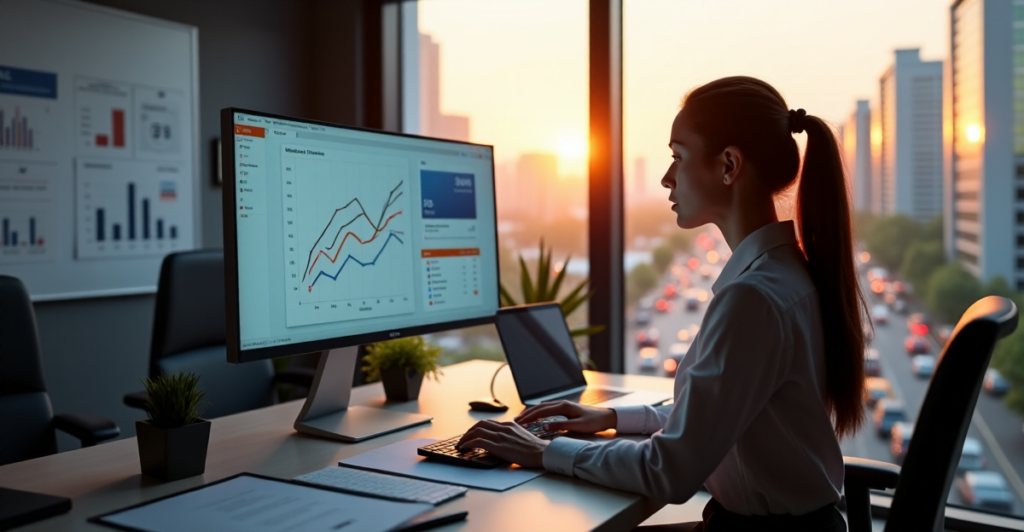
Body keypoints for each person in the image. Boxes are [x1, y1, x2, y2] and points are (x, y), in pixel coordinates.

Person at [456, 76, 868, 531]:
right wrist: (611, 417)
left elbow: (670, 470)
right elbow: (722, 415)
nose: (666, 178)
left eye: (678, 157)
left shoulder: (755, 298)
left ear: (729, 165)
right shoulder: (784, 275)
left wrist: (543, 451)